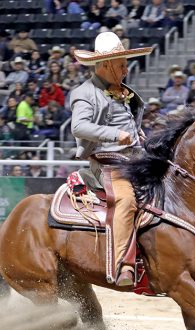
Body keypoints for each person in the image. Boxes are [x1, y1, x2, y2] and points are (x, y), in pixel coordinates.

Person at [70, 31, 152, 286]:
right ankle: (123, 265)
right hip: (108, 163)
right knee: (126, 200)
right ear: (105, 65)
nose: (126, 69)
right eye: (121, 64)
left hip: (135, 159)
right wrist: (116, 135)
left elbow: (127, 121)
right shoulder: (84, 93)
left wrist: (137, 134)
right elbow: (78, 127)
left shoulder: (123, 91)